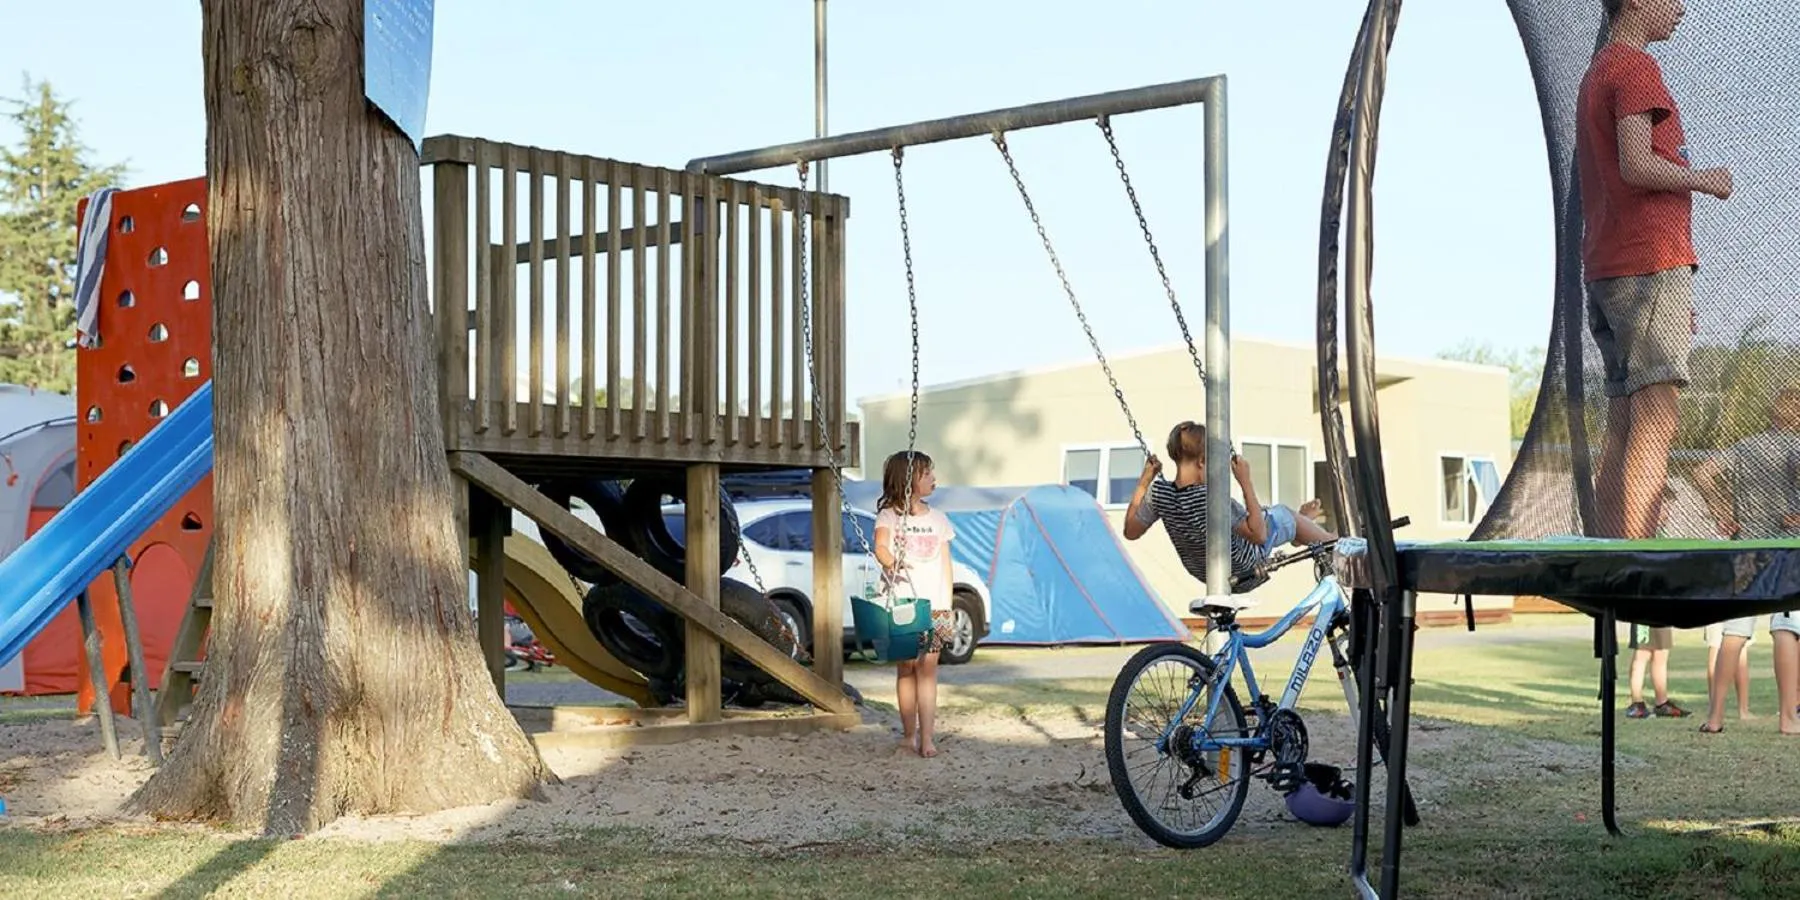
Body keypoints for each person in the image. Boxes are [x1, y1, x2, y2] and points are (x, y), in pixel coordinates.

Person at [1575, 0, 1733, 542]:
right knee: (1658, 415)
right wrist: (1704, 179)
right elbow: (1637, 164)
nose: (1682, 8)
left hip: (1610, 268)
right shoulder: (1635, 67)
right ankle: (1638, 553)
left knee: (1624, 418)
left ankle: (1609, 549)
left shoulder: (1597, 73)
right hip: (1646, 263)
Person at [1123, 421, 1337, 605]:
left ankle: (1299, 527)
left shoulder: (1159, 494)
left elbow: (1130, 531)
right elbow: (1258, 535)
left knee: (1270, 516)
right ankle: (1330, 540)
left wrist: (1145, 480)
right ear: (1202, 461)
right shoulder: (1212, 498)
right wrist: (1245, 481)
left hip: (1206, 573)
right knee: (1281, 514)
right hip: (1246, 568)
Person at [1691, 388, 1800, 734]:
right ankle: (1788, 718)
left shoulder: (1745, 446)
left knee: (1734, 633)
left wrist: (1720, 509)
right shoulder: (1796, 446)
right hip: (1785, 549)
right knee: (1786, 628)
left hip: (1746, 547)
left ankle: (1716, 718)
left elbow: (1702, 472)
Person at [872, 449, 958, 758]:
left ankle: (928, 738)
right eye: (926, 474)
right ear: (908, 480)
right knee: (907, 668)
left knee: (929, 668)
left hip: (934, 604)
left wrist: (947, 605)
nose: (933, 478)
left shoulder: (939, 520)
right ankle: (909, 734)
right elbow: (880, 545)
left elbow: (946, 564)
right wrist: (890, 561)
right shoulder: (889, 516)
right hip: (902, 604)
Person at [1625, 487, 1688, 718]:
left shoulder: (1663, 534)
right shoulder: (1641, 533)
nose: (1666, 512)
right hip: (1643, 605)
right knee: (1642, 653)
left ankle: (1662, 702)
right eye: (1663, 507)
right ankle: (1637, 702)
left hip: (1662, 605)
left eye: (1669, 507)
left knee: (1661, 653)